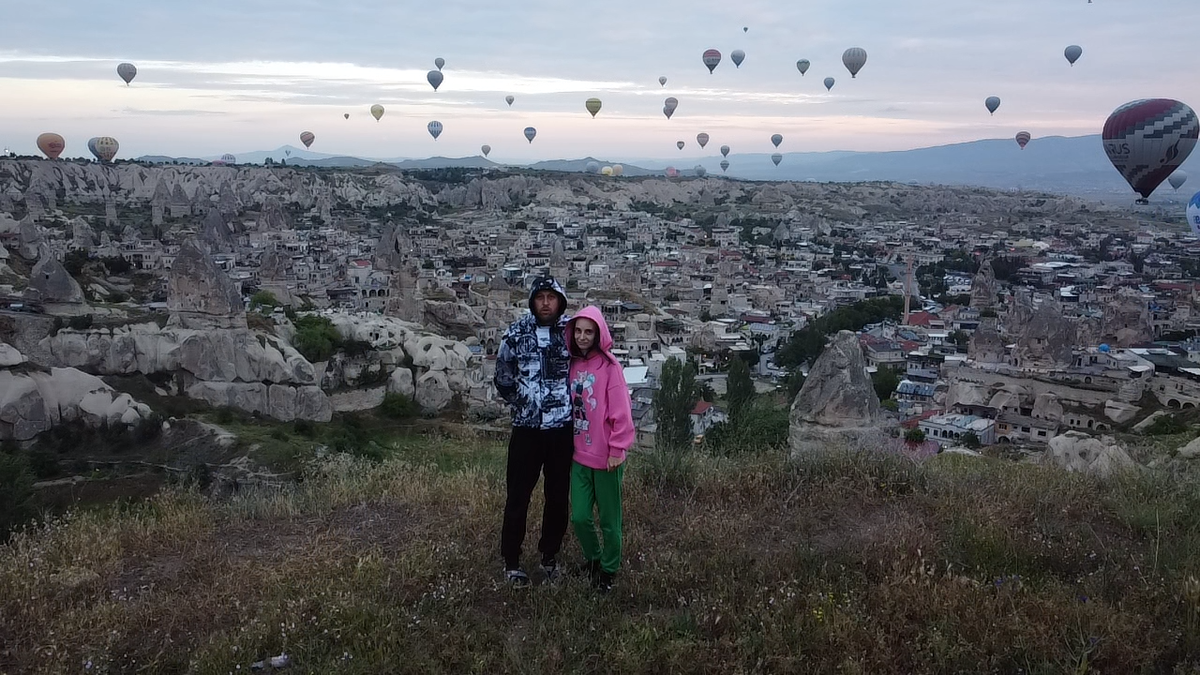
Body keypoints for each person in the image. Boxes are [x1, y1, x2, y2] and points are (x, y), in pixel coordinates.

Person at [494, 276, 573, 586]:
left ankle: (549, 556)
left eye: (550, 297)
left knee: (557, 497)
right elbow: (503, 377)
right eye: (539, 296)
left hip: (561, 430)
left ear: (560, 301)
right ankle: (511, 561)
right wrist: (524, 403)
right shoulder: (515, 334)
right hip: (526, 430)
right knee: (518, 496)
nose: (545, 302)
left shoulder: (570, 333)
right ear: (532, 300)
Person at [565, 306, 634, 593]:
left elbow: (622, 412)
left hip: (607, 457)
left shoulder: (610, 367)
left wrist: (618, 448)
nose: (582, 337)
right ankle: (594, 558)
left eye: (588, 332)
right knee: (579, 516)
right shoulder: (572, 364)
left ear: (599, 334)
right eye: (578, 331)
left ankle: (608, 569)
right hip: (579, 455)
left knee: (609, 519)